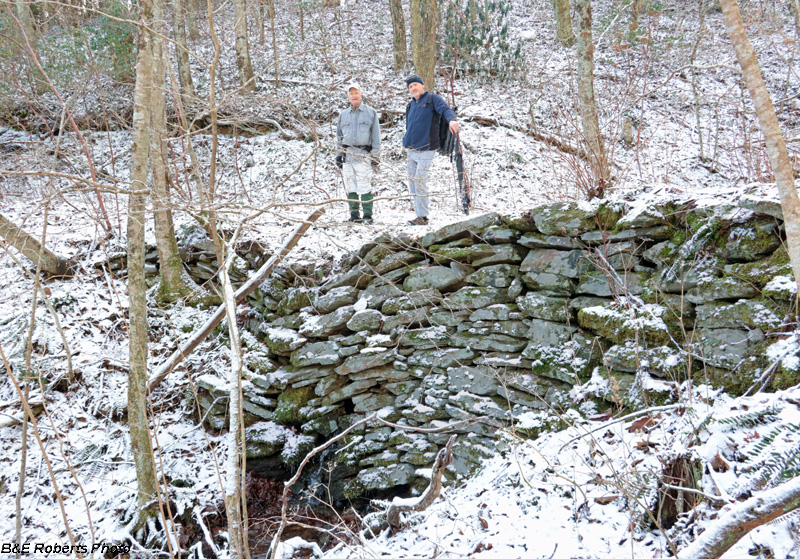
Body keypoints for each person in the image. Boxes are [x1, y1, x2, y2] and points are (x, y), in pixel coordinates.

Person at [402, 74, 459, 226]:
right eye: (410, 87)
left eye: (415, 85)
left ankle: (422, 217)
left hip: (426, 148)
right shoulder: (411, 105)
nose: (413, 88)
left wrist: (452, 119)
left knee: (419, 181)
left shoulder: (432, 99)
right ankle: (419, 214)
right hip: (411, 149)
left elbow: (445, 109)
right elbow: (409, 126)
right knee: (413, 183)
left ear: (422, 86)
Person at [336, 81, 381, 224]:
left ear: (360, 94)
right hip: (348, 156)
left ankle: (368, 216)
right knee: (351, 186)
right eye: (351, 93)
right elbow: (339, 137)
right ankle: (354, 216)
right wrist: (339, 155)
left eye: (356, 93)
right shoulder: (343, 115)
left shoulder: (371, 113)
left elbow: (376, 136)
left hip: (363, 155)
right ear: (348, 96)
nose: (354, 96)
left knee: (364, 185)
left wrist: (375, 156)